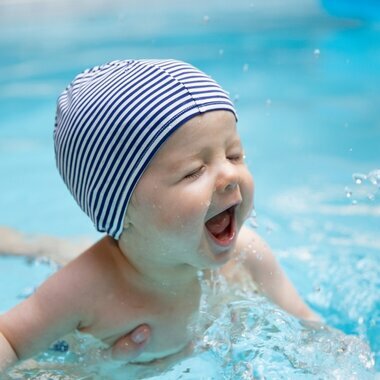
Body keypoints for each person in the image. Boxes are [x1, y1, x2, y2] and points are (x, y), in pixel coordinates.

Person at [0, 59, 318, 374]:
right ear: (118, 209)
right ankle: (20, 243)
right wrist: (87, 372)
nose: (230, 176)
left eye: (234, 155)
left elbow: (309, 329)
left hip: (145, 246)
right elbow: (9, 340)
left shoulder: (248, 257)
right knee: (61, 257)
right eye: (194, 172)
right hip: (76, 342)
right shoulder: (86, 289)